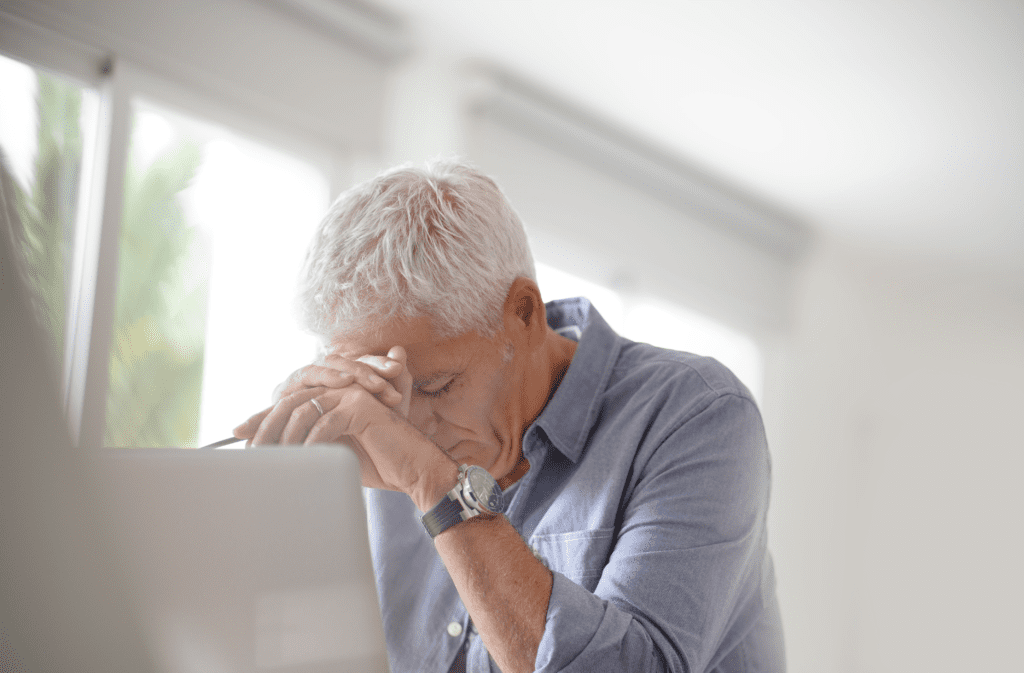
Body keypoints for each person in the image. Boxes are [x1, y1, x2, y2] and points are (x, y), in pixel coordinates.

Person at [233, 159, 785, 673]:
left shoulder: (697, 414)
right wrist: (293, 508)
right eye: (384, 395)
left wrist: (433, 485)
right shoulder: (372, 437)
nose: (410, 424)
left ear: (523, 315)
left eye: (436, 386)